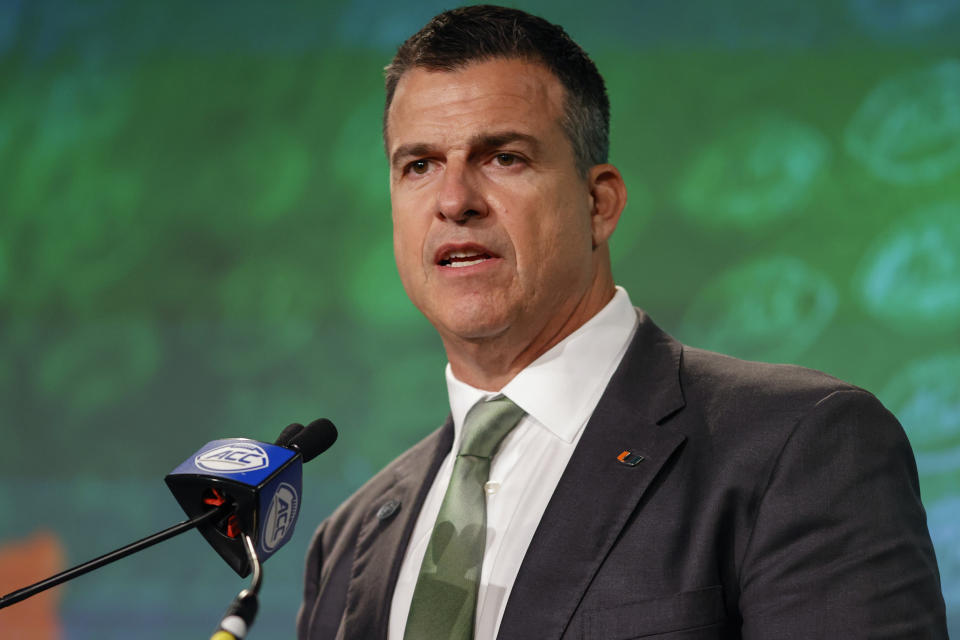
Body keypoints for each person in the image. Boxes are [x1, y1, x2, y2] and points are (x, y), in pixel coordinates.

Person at [297, 5, 948, 639]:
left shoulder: (797, 446)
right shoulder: (351, 541)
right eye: (419, 166)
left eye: (504, 158)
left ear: (599, 203)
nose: (454, 200)